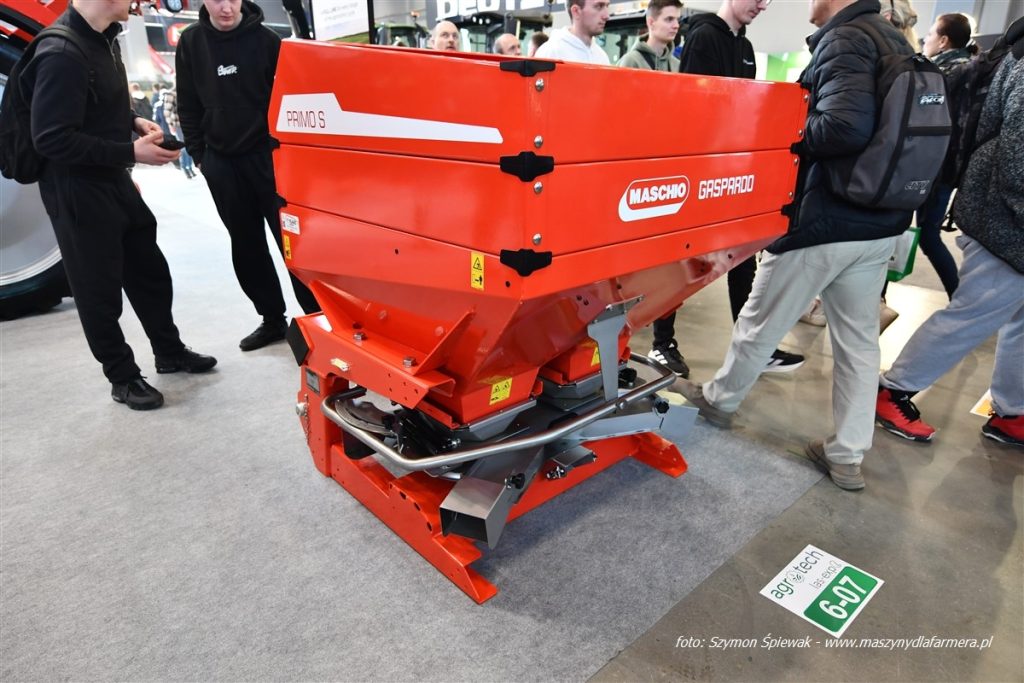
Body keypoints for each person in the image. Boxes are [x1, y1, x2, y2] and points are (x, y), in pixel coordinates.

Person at [674, 0, 916, 491]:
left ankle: (719, 401)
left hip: (826, 218)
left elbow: (844, 126)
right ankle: (847, 454)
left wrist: (783, 130)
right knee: (858, 345)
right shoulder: (893, 38)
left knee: (760, 319)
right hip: (879, 221)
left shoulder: (846, 39)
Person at [24, 0, 216, 410]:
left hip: (112, 178)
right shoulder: (61, 53)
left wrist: (131, 121)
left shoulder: (103, 41)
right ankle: (122, 377)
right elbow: (51, 138)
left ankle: (169, 352)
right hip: (77, 188)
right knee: (98, 290)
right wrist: (130, 151)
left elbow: (90, 102)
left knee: (149, 271)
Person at [875, 25, 1023, 448]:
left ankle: (1012, 411)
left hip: (1000, 210)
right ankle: (893, 390)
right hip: (1003, 218)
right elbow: (1017, 157)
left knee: (1015, 319)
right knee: (974, 312)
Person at [650, 0, 805, 378]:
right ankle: (661, 343)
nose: (763, 5)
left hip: (732, 170)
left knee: (743, 256)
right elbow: (693, 109)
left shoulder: (745, 46)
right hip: (699, 172)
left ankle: (752, 346)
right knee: (680, 259)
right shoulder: (703, 37)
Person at [176, 0, 319, 352]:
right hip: (222, 163)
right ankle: (271, 319)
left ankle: (317, 317)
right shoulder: (191, 43)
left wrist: (287, 153)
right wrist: (200, 156)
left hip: (268, 158)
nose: (226, 7)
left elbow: (289, 99)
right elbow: (187, 102)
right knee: (246, 245)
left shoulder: (268, 41)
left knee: (294, 243)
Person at [911, 12, 980, 300]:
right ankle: (959, 298)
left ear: (943, 41)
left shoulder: (945, 72)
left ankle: (960, 298)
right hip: (949, 168)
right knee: (925, 235)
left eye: (930, 35)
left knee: (918, 234)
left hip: (931, 167)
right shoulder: (973, 68)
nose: (924, 40)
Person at [534, 0, 611, 64]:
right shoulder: (550, 53)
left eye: (607, 6)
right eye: (599, 6)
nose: (607, 16)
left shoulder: (602, 57)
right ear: (576, 11)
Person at [616, 0, 681, 71]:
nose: (676, 25)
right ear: (651, 22)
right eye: (669, 19)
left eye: (677, 20)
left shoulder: (677, 65)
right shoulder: (631, 62)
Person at [161, 83, 196, 179]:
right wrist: (170, 124)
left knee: (189, 145)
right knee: (183, 147)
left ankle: (189, 167)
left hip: (188, 124)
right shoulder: (170, 94)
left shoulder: (187, 91)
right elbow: (167, 111)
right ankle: (185, 168)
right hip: (177, 124)